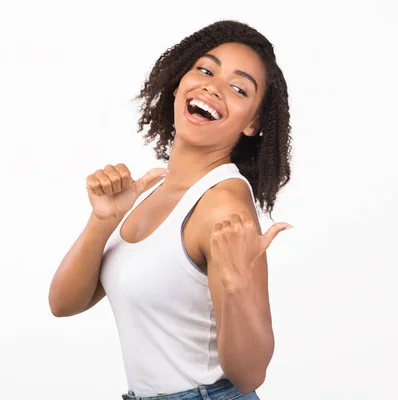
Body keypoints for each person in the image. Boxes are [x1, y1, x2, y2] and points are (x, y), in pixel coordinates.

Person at [48, 20, 292, 400]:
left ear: (253, 123)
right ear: (180, 82)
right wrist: (103, 221)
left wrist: (236, 285)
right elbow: (64, 303)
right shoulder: (155, 190)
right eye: (206, 70)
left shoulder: (223, 205)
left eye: (239, 88)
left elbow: (248, 376)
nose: (213, 86)